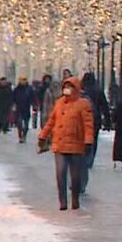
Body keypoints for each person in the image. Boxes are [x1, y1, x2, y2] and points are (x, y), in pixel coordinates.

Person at [40, 76, 94, 210]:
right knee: (60, 172)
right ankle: (62, 201)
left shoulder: (83, 104)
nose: (67, 90)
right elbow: (52, 121)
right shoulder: (59, 103)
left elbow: (88, 125)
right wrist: (43, 135)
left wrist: (88, 141)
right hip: (59, 144)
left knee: (75, 176)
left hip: (76, 145)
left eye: (70, 87)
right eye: (65, 87)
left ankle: (75, 199)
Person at [80, 72, 110, 192]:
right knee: (94, 139)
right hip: (95, 118)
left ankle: (85, 155)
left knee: (85, 138)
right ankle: (90, 158)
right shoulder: (98, 90)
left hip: (83, 119)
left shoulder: (82, 90)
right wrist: (107, 119)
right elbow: (104, 106)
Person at [12, 76, 36, 143]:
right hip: (19, 108)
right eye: (22, 80)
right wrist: (13, 105)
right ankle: (20, 136)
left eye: (24, 80)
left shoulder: (29, 89)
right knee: (19, 123)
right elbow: (13, 97)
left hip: (27, 108)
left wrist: (34, 105)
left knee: (26, 125)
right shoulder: (16, 89)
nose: (23, 81)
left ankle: (24, 135)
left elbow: (33, 97)